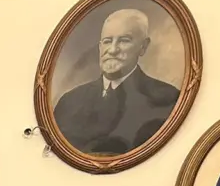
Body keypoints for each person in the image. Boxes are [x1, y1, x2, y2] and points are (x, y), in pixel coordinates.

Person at [53, 8, 180, 155]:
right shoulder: (69, 102)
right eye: (107, 41)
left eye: (124, 40)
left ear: (143, 46)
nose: (113, 50)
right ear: (100, 47)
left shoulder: (168, 101)